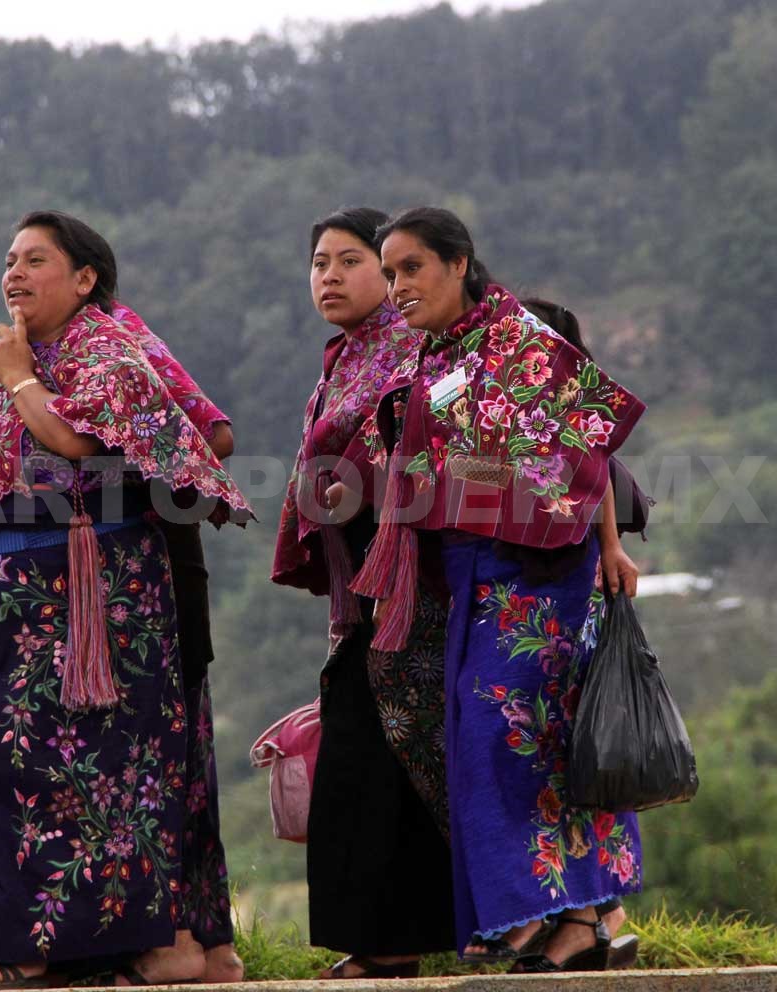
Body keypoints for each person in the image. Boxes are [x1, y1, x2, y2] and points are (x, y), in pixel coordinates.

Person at [0, 210, 251, 990]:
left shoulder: (109, 351)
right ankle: (65, 948)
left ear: (85, 279)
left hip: (83, 596)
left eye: (35, 260)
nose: (14, 274)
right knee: (3, 767)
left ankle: (29, 950)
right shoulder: (2, 363)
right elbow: (4, 445)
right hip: (0, 597)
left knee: (41, 769)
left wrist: (21, 378)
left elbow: (80, 442)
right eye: (9, 260)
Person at [353, 207, 645, 973]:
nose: (398, 286)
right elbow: (439, 466)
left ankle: (567, 914)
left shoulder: (520, 341)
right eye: (389, 274)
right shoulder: (430, 358)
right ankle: (570, 921)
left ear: (458, 263)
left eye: (410, 267)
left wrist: (611, 544)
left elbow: (583, 454)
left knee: (511, 732)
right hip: (469, 570)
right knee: (511, 741)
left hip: (544, 571)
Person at [271, 208, 454, 979]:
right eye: (319, 263)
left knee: (407, 763)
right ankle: (387, 944)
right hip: (367, 596)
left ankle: (409, 941)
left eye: (351, 261)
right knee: (360, 765)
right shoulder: (342, 361)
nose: (331, 276)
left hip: (422, 590)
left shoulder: (414, 353)